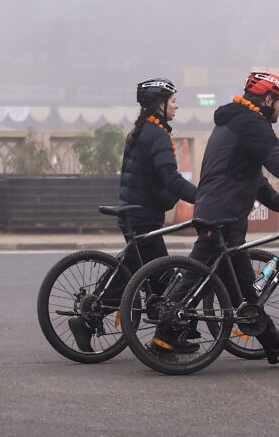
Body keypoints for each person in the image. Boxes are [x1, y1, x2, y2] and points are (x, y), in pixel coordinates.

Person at [151, 71, 279, 364]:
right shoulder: (252, 122)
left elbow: (251, 175)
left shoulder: (237, 121)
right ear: (267, 99)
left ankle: (274, 344)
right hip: (222, 215)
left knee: (243, 292)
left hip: (220, 211)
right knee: (193, 278)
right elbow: (278, 159)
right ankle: (162, 342)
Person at [68, 77, 197, 352]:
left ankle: (170, 333)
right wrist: (202, 197)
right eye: (173, 101)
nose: (177, 106)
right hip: (144, 216)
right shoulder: (157, 134)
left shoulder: (142, 130)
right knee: (162, 275)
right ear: (160, 105)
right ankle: (93, 322)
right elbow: (170, 178)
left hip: (137, 212)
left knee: (141, 273)